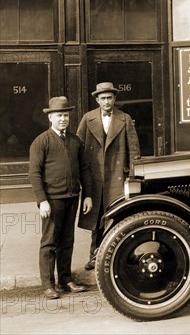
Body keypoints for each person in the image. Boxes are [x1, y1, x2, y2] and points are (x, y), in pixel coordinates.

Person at [29, 96, 93, 299]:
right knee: (49, 242)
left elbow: (84, 169)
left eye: (66, 115)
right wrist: (42, 201)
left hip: (72, 197)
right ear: (50, 118)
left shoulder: (75, 141)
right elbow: (34, 173)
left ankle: (65, 280)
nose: (63, 119)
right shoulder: (41, 141)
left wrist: (88, 195)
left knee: (67, 241)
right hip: (52, 200)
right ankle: (48, 285)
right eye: (59, 115)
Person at [77, 82, 140, 270]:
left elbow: (134, 150)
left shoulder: (125, 118)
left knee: (117, 216)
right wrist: (81, 175)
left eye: (110, 98)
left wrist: (133, 175)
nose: (106, 101)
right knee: (96, 218)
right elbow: (78, 148)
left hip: (116, 176)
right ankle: (94, 255)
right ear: (97, 100)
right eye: (103, 98)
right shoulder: (88, 119)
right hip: (94, 177)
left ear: (114, 99)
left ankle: (119, 255)